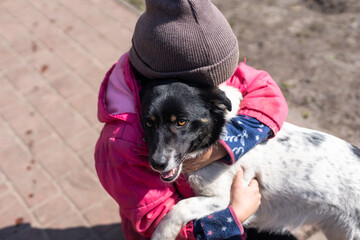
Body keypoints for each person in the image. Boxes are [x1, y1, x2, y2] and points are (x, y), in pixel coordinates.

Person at [95, 0, 289, 239]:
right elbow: (154, 220)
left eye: (223, 79)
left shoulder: (201, 74)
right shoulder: (122, 144)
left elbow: (267, 91)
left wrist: (222, 148)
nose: (224, 84)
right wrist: (233, 217)